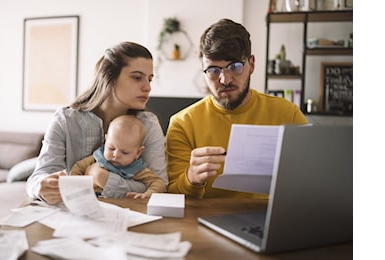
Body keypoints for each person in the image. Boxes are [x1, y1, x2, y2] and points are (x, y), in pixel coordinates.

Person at [166, 19, 309, 199]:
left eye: (235, 66)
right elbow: (172, 197)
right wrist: (191, 178)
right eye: (213, 70)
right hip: (205, 222)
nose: (225, 80)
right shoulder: (182, 124)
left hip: (270, 219)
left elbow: (313, 177)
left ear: (252, 65)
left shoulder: (288, 114)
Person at [26, 41, 168, 204]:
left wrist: (104, 179)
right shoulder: (66, 119)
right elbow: (38, 176)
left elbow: (160, 184)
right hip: (71, 216)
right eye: (137, 78)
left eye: (149, 79)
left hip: (130, 217)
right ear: (109, 77)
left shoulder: (148, 124)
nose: (147, 87)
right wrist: (41, 187)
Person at [69, 115, 166, 198]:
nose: (116, 155)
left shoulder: (136, 169)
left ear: (138, 152)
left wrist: (148, 194)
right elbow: (77, 168)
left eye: (125, 152)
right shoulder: (98, 157)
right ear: (106, 140)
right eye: (111, 148)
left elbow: (158, 182)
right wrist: (75, 187)